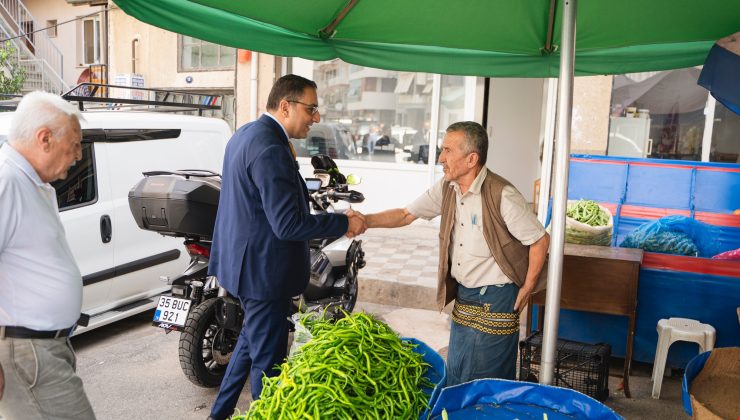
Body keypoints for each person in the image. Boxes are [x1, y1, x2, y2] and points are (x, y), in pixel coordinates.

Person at [207, 74, 365, 420]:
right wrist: (342, 221)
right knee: (269, 368)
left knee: (249, 345)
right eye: (311, 109)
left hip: (244, 266)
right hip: (264, 274)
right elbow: (289, 224)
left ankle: (217, 415)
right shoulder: (270, 148)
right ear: (285, 106)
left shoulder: (245, 134)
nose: (316, 117)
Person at [363, 121, 549, 385]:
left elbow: (540, 240)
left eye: (448, 150)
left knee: (484, 381)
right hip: (465, 297)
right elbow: (406, 215)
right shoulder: (447, 188)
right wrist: (364, 221)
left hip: (497, 298)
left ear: (471, 159)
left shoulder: (502, 195)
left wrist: (528, 287)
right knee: (460, 371)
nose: (441, 158)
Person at [0, 91, 95, 419]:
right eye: (75, 143)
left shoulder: (30, 182)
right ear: (44, 138)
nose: (78, 154)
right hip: (26, 351)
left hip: (43, 348)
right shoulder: (6, 181)